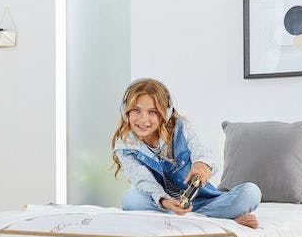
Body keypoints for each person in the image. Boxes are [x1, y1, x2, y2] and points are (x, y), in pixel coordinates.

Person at [111, 78, 261, 228]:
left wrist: (202, 164)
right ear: (126, 111)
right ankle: (220, 217)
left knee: (251, 193)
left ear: (165, 113)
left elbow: (200, 150)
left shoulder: (180, 127)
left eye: (153, 112)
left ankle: (193, 217)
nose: (143, 119)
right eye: (136, 110)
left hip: (201, 201)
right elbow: (143, 180)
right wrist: (165, 201)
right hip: (163, 203)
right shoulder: (124, 146)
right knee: (129, 199)